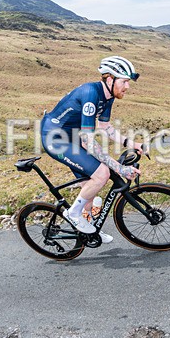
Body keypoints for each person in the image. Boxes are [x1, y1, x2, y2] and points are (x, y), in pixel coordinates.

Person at [40, 56, 144, 244]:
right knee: (102, 173)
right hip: (56, 138)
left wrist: (132, 144)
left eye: (128, 82)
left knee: (90, 183)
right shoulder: (90, 94)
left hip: (73, 136)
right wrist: (119, 168)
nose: (127, 87)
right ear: (110, 79)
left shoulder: (109, 95)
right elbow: (88, 141)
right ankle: (73, 213)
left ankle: (89, 228)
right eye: (124, 81)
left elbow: (105, 127)